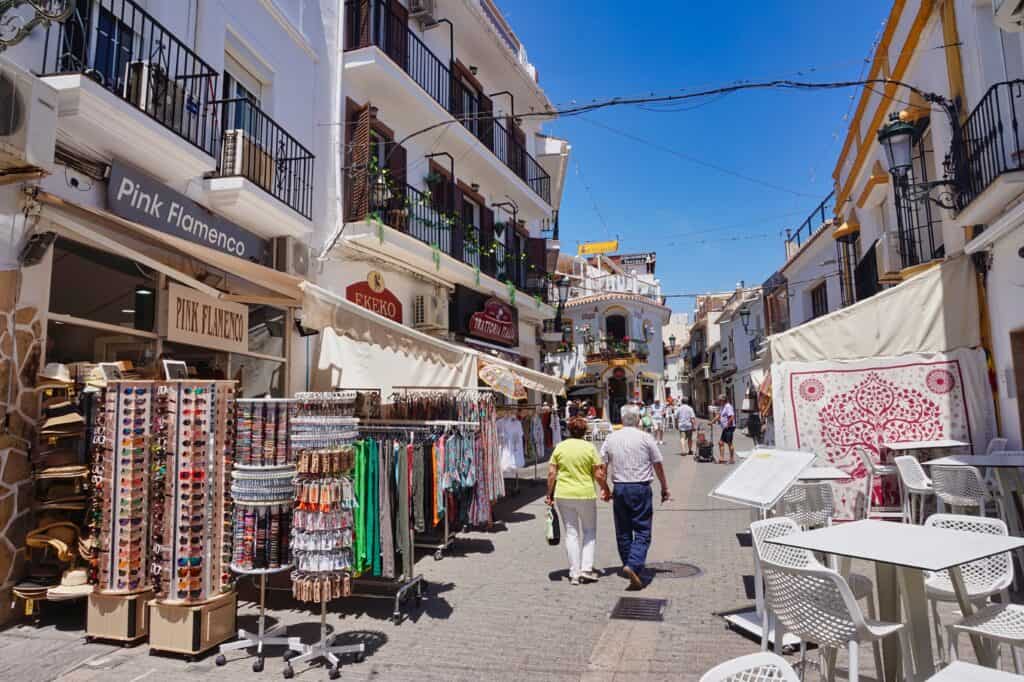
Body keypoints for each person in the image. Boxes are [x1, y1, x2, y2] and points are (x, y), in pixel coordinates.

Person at [600, 405, 671, 589]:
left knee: (623, 530)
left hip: (620, 488)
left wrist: (605, 488)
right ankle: (633, 564)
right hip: (640, 487)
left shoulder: (611, 438)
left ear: (622, 419)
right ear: (638, 419)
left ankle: (629, 565)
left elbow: (602, 467)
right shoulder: (646, 437)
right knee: (642, 529)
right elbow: (658, 464)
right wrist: (665, 487)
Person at [545, 417, 609, 586]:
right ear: (585, 431)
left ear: (569, 430)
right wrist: (606, 488)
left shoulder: (560, 447)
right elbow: (598, 474)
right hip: (585, 494)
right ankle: (586, 569)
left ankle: (574, 572)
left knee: (571, 533)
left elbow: (552, 474)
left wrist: (549, 494)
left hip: (563, 494)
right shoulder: (589, 448)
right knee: (589, 531)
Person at [712, 394, 736, 464]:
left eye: (719, 400)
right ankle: (722, 458)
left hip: (729, 427)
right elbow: (719, 416)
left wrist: (727, 425)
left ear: (723, 400)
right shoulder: (723, 407)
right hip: (725, 428)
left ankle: (732, 459)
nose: (718, 401)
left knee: (729, 443)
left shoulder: (728, 406)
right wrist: (712, 422)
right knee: (721, 442)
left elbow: (731, 417)